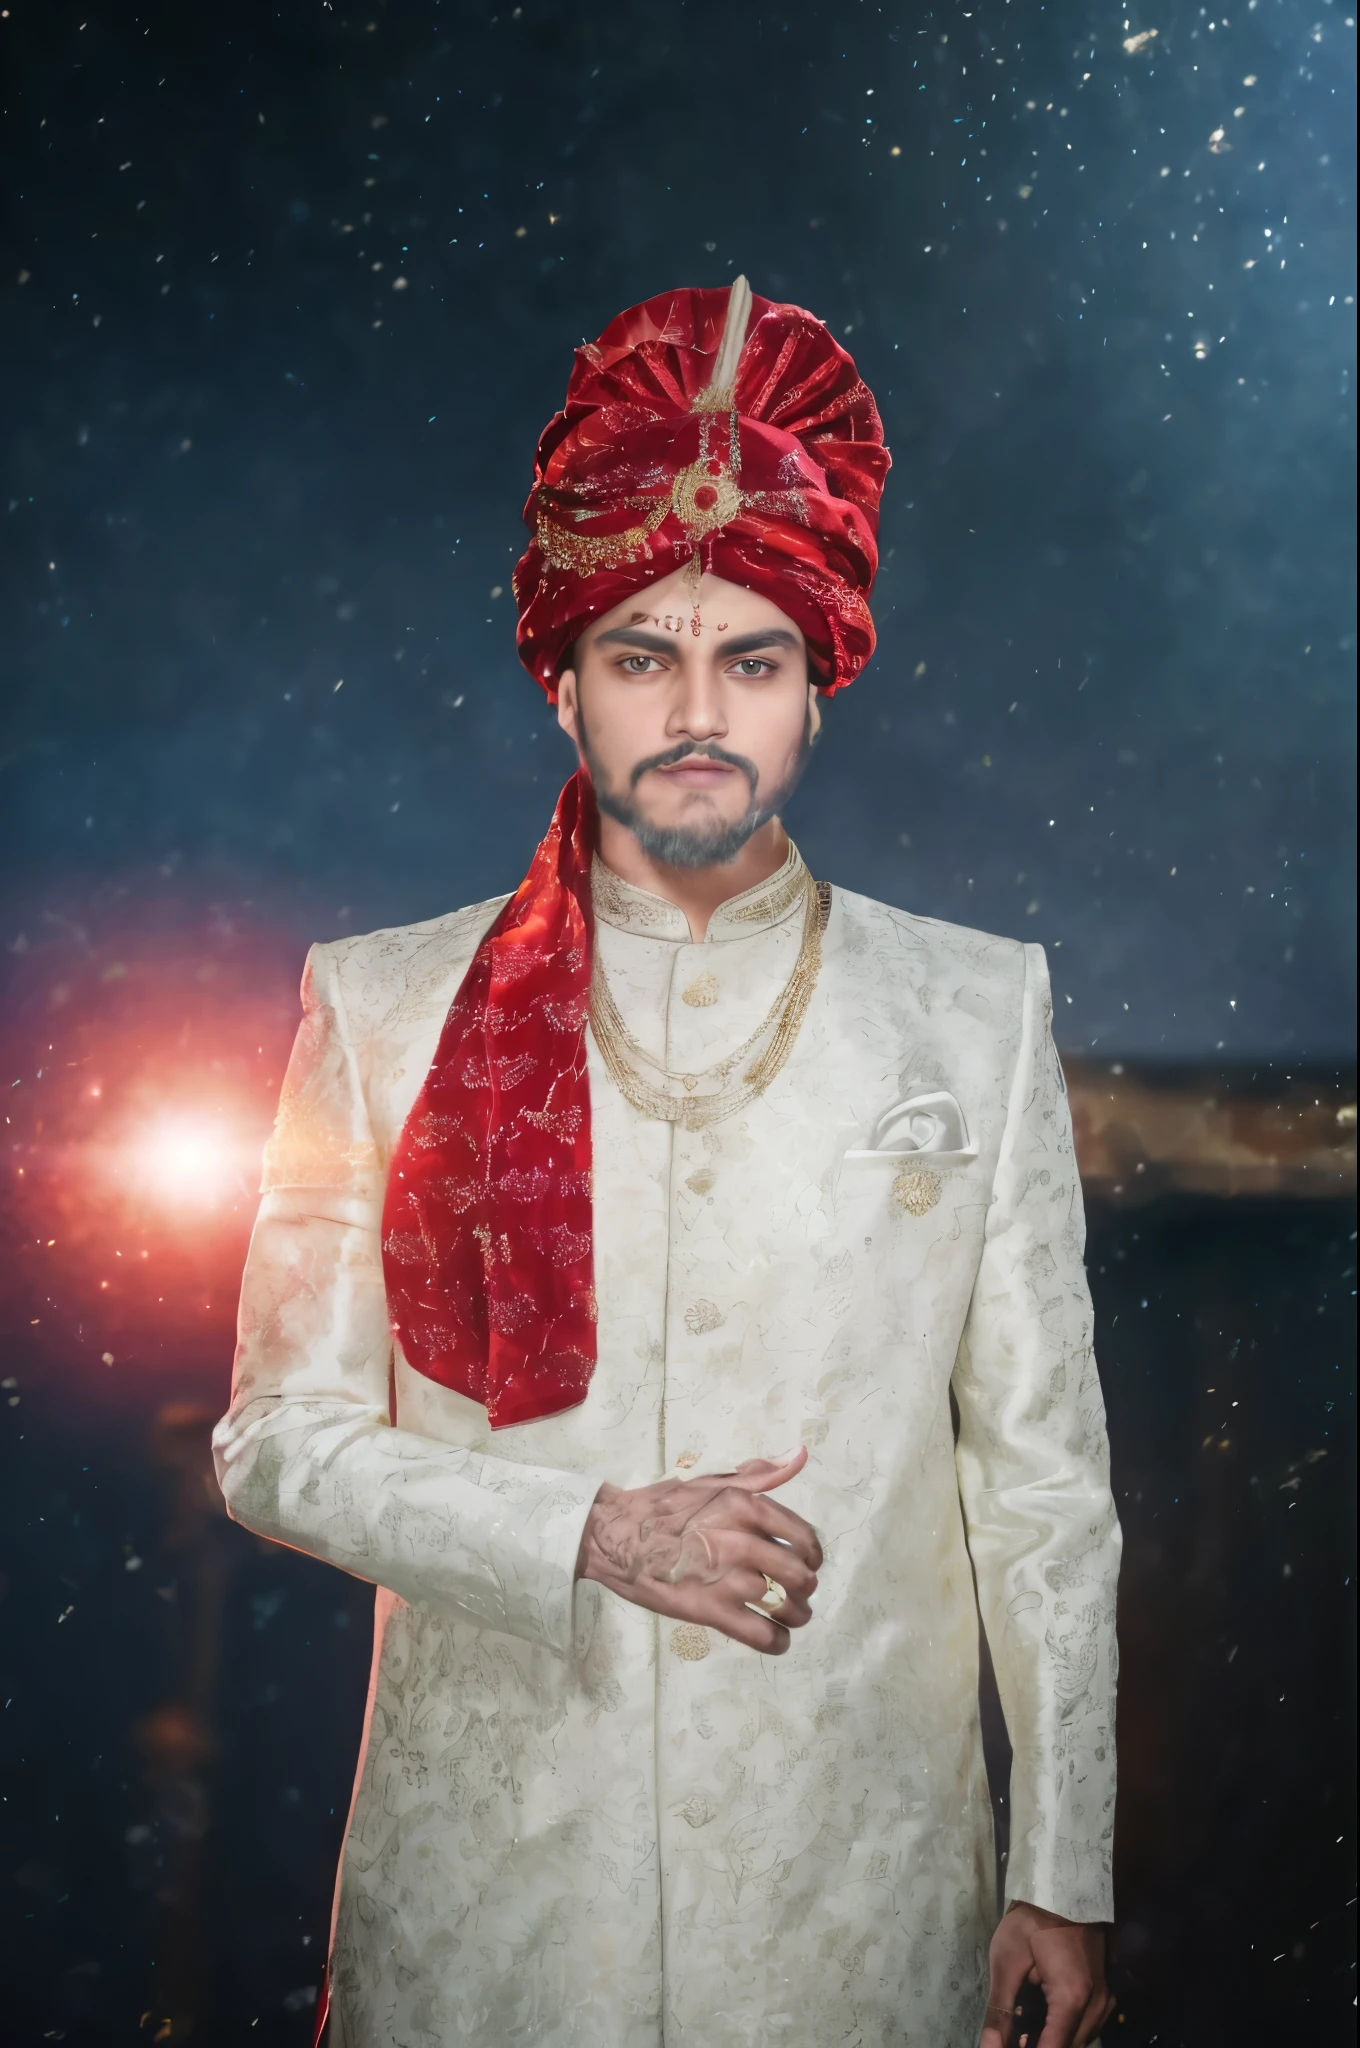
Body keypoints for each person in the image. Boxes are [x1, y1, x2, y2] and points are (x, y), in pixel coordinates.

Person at [213, 278, 1120, 2048]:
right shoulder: (388, 1004)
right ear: (564, 688)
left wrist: (1065, 1860)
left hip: (853, 1894)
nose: (697, 708)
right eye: (642, 656)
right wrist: (588, 1534)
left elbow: (1040, 1488)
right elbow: (275, 1441)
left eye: (751, 659)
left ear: (814, 693)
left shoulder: (972, 1013)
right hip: (498, 1897)